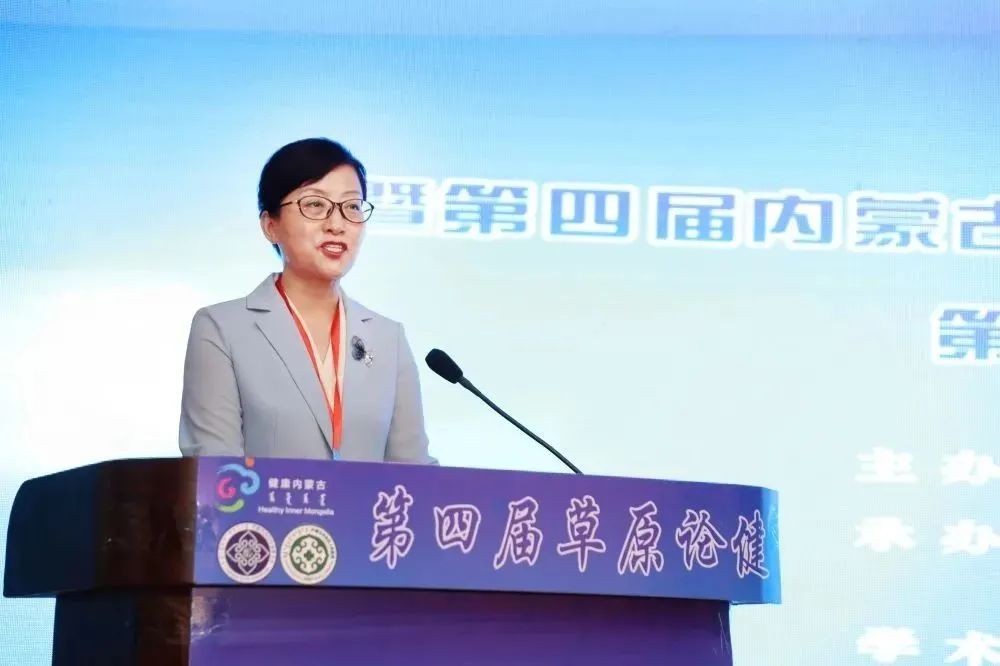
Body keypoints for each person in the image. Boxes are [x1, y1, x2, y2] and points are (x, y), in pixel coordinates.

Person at [178, 137, 435, 464]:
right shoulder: (221, 329)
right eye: (315, 205)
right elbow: (216, 469)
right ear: (270, 225)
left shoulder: (388, 338)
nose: (336, 225)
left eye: (352, 207)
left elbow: (414, 471)